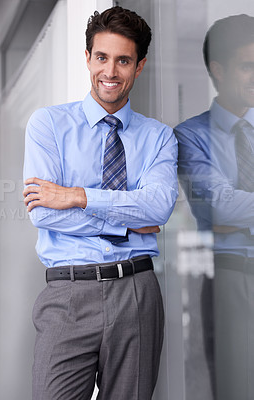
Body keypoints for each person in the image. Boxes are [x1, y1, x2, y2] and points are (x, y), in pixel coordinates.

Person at [23, 6, 178, 400]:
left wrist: (78, 197)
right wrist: (126, 219)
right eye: (102, 57)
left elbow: (158, 208)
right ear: (88, 57)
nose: (110, 72)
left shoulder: (159, 138)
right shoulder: (49, 125)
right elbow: (42, 212)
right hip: (68, 294)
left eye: (123, 60)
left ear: (139, 66)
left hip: (137, 293)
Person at [175, 14, 254, 400]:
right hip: (230, 278)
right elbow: (220, 207)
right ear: (217, 70)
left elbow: (236, 209)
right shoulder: (190, 136)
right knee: (237, 390)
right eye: (247, 66)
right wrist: (230, 213)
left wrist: (242, 215)